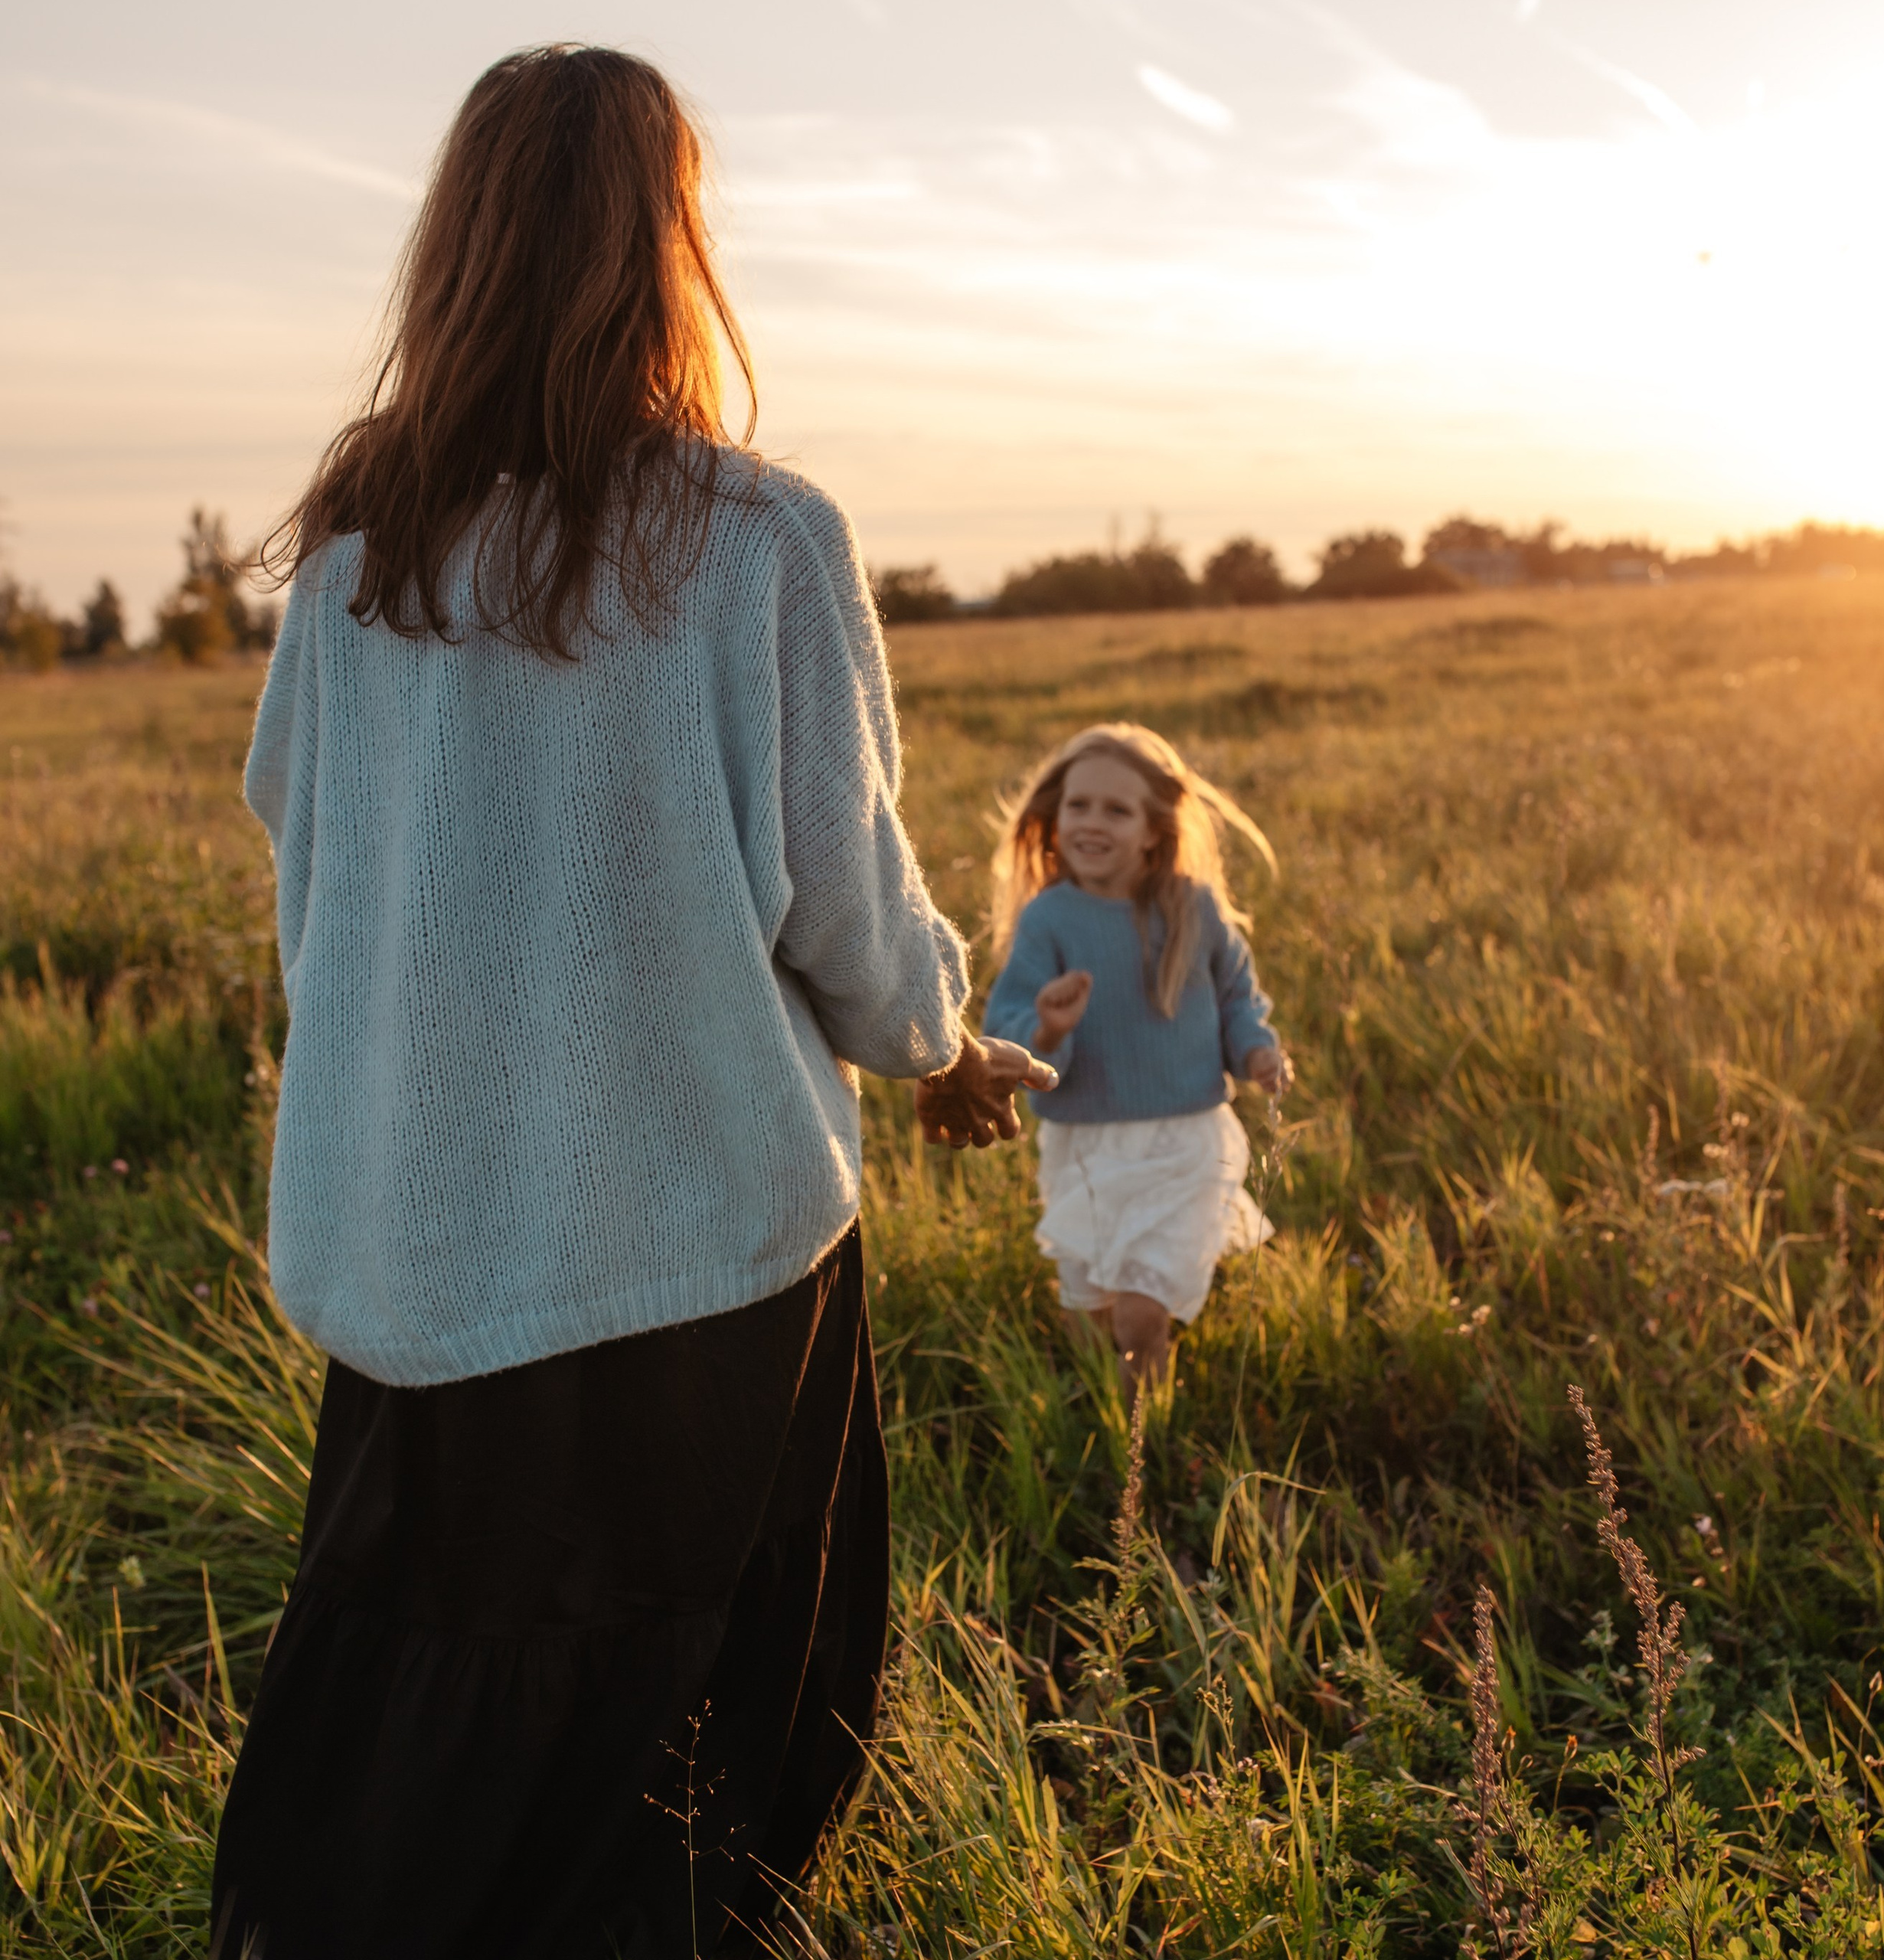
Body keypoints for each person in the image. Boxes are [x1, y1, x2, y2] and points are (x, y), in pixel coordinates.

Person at [211, 44, 1050, 1960]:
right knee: (698, 1737)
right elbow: (844, 901)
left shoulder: (355, 557)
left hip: (414, 1252)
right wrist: (937, 1038)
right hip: (693, 1247)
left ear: (457, 250)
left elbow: (306, 864)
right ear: (667, 242)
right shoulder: (754, 541)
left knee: (417, 1731)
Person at [981, 724, 1291, 1400]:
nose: (1093, 822)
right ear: (1055, 817)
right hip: (1085, 1147)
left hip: (1184, 1143)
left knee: (1140, 1314)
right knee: (1090, 1321)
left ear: (1154, 829)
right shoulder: (1049, 920)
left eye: (1117, 810)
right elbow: (1005, 1029)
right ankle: (1108, 1436)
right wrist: (1047, 1025)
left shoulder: (1192, 909)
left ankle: (1150, 1450)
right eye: (1079, 806)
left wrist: (1256, 1050)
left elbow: (1238, 995)